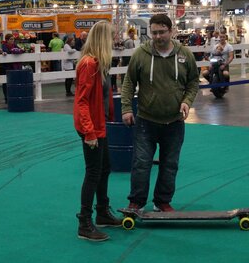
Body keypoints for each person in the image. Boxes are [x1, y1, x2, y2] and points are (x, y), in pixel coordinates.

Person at [121, 14, 199, 212]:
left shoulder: (185, 55)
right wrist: (127, 108)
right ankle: (136, 202)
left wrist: (186, 102)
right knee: (141, 163)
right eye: (153, 32)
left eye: (161, 32)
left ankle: (162, 201)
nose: (157, 36)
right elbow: (129, 82)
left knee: (170, 164)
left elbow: (193, 83)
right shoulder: (140, 54)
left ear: (171, 31)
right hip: (146, 121)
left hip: (174, 122)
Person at [73, 20, 122, 241]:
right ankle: (85, 222)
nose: (114, 41)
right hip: (91, 127)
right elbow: (81, 101)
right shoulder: (89, 64)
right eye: (112, 37)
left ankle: (102, 212)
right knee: (94, 172)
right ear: (104, 39)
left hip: (99, 124)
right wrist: (89, 132)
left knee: (104, 169)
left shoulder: (100, 64)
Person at [0, 33, 24, 103]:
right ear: (7, 40)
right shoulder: (4, 45)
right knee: (6, 83)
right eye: (11, 39)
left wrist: (17, 50)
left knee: (14, 83)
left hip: (14, 67)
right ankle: (6, 98)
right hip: (6, 67)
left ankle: (14, 97)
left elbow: (20, 50)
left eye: (13, 39)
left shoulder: (15, 45)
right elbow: (6, 51)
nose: (12, 40)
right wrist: (14, 51)